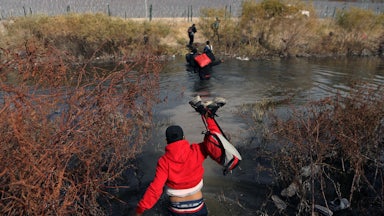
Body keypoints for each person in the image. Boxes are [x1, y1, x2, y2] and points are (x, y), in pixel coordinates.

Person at [135, 96, 227, 216]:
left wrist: (140, 209)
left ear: (166, 141)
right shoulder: (197, 150)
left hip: (177, 210)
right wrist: (207, 117)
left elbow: (155, 189)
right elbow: (214, 141)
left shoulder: (164, 161)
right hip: (198, 207)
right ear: (184, 138)